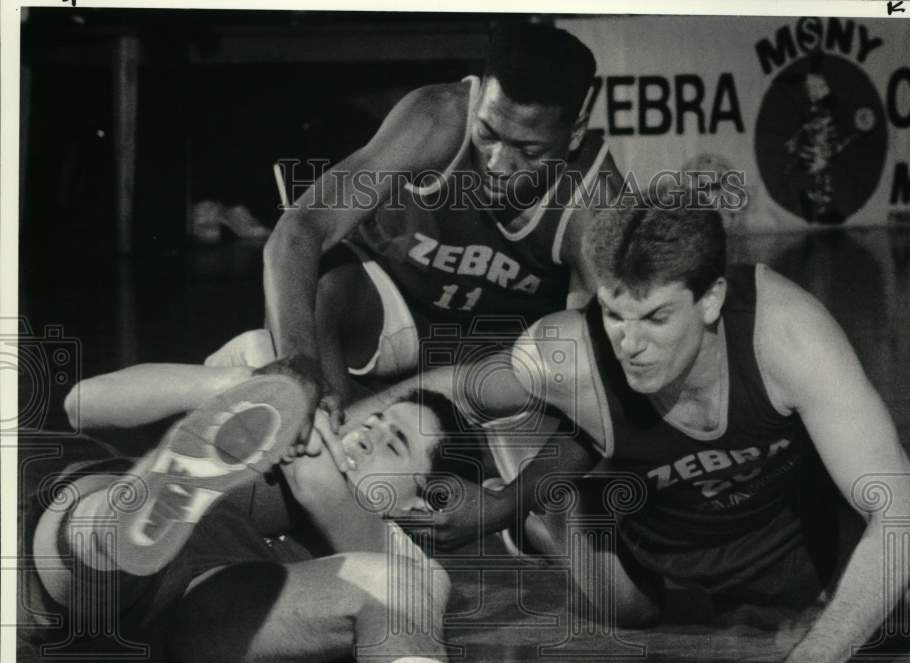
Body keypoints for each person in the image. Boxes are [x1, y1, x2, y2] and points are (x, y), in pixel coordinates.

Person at [369, 202, 910, 663]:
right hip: (645, 547)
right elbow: (453, 385)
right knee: (624, 610)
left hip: (798, 544)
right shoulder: (565, 352)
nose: (630, 343)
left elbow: (898, 517)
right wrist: (320, 414)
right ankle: (539, 514)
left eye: (657, 316)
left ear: (711, 298)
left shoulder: (787, 332)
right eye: (613, 313)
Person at [18, 361, 604, 663]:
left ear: (422, 505)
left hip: (194, 617)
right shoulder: (268, 434)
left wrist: (308, 435)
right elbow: (82, 402)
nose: (362, 435)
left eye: (390, 443)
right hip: (73, 536)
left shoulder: (405, 558)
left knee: (392, 586)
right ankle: (130, 518)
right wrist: (232, 387)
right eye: (370, 422)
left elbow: (336, 502)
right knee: (107, 526)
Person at [211, 22, 621, 451]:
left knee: (573, 352)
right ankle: (327, 427)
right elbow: (299, 229)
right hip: (397, 309)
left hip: (496, 352)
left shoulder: (595, 199)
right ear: (479, 98)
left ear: (573, 134)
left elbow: (609, 361)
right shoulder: (436, 116)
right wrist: (296, 360)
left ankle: (370, 434)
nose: (499, 163)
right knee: (318, 291)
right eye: (487, 134)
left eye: (529, 150)